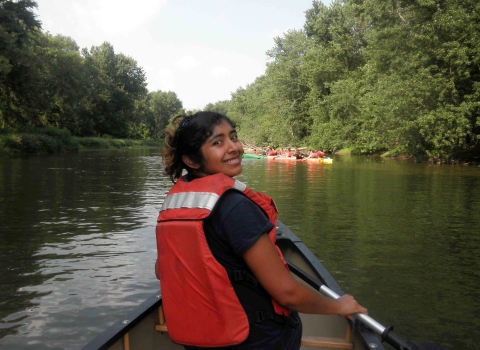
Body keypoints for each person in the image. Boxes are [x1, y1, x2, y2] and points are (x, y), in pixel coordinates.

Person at [155, 111, 367, 349]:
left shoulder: (173, 206)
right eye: (218, 142)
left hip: (199, 341)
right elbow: (288, 294)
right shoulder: (235, 207)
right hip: (259, 340)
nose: (233, 147)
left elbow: (160, 271)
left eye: (233, 137)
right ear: (192, 161)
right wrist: (339, 306)